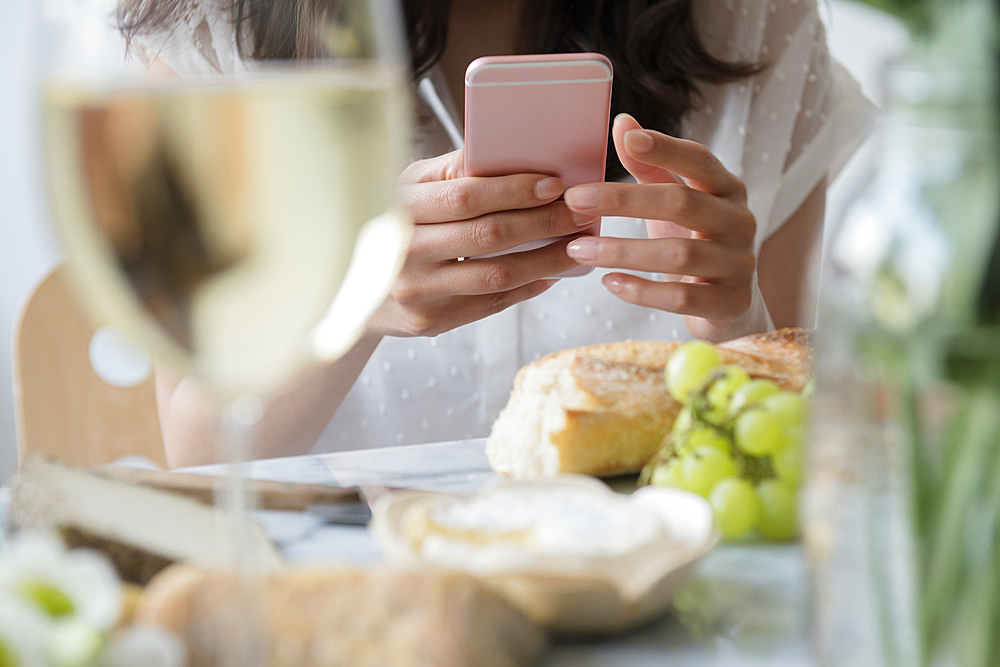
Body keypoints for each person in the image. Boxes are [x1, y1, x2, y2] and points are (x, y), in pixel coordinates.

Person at [118, 0, 876, 467]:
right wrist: (346, 304)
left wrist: (734, 319)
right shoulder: (212, 35)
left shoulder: (754, 23)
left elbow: (783, 452)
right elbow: (200, 453)